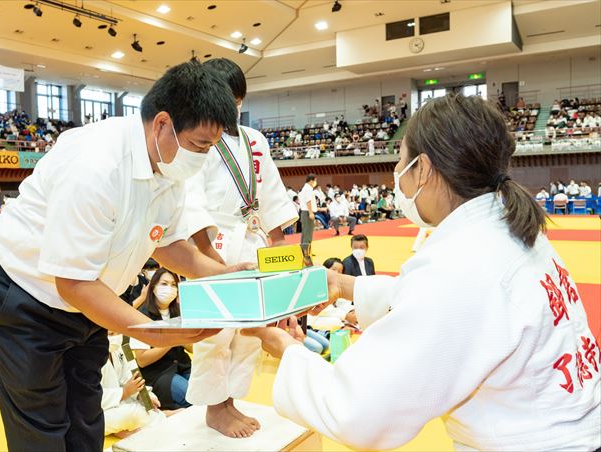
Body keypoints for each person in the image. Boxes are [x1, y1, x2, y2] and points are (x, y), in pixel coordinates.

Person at [243, 94, 600, 451]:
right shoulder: (504, 230)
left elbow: (361, 412)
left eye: (401, 161)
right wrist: (342, 284)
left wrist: (287, 348)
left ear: (424, 168)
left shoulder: (460, 262)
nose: (398, 175)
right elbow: (442, 303)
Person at [0, 61, 251, 452]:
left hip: (89, 301)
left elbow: (165, 242)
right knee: (42, 428)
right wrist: (153, 331)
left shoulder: (170, 167)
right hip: (21, 291)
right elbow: (73, 282)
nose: (203, 156)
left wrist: (222, 273)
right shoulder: (96, 164)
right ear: (162, 124)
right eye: (200, 144)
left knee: (86, 420)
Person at [183, 58, 298, 438]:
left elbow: (272, 194)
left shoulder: (255, 139)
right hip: (215, 239)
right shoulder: (197, 136)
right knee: (216, 331)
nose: (231, 108)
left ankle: (231, 400)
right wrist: (206, 254)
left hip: (253, 238)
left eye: (236, 101)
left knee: (251, 329)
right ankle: (215, 408)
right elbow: (191, 198)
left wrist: (279, 245)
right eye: (224, 99)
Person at [136, 268, 192, 411]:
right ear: (153, 287)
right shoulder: (141, 316)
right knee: (191, 398)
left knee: (206, 393)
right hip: (158, 374)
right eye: (164, 284)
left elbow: (192, 348)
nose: (169, 289)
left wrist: (186, 337)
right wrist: (171, 340)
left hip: (183, 366)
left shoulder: (179, 312)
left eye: (173, 285)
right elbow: (142, 360)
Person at [102, 333, 165, 438]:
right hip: (95, 414)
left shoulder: (117, 349)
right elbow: (90, 398)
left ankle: (125, 431)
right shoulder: (88, 359)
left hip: (118, 403)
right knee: (135, 413)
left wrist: (143, 395)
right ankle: (163, 418)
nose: (116, 336)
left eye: (117, 332)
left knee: (148, 404)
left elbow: (129, 378)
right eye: (111, 334)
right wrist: (124, 392)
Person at [298, 174, 318, 255]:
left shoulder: (306, 188)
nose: (316, 182)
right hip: (307, 212)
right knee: (307, 233)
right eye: (315, 180)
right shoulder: (307, 189)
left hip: (306, 212)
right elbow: (308, 201)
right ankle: (306, 252)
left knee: (306, 232)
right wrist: (310, 212)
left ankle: (305, 250)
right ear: (311, 180)